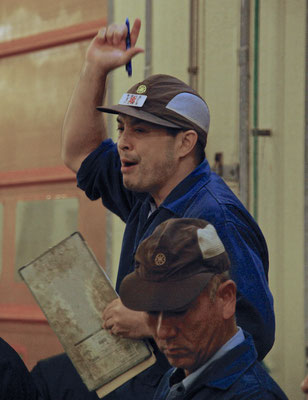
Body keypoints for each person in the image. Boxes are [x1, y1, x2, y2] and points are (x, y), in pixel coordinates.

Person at [61, 18, 275, 399]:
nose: (124, 143)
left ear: (184, 144)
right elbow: (81, 154)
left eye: (140, 131)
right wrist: (95, 67)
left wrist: (148, 321)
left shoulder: (215, 217)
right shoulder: (148, 192)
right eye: (122, 128)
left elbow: (253, 331)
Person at [119, 218, 288, 399]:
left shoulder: (254, 396)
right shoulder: (177, 379)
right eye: (152, 311)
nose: (162, 331)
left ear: (226, 298)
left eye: (179, 310)